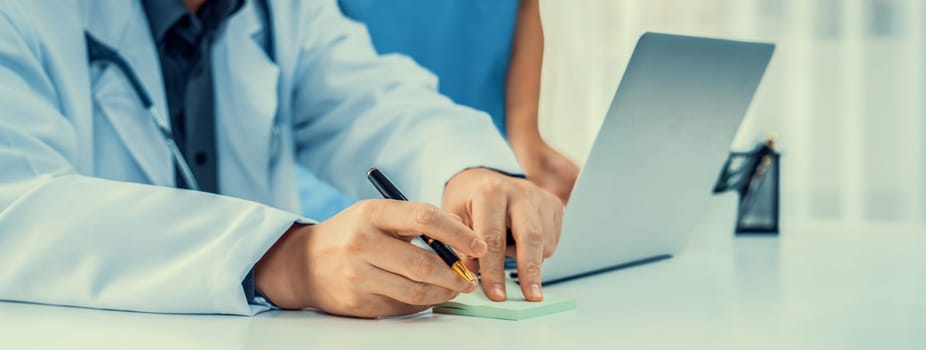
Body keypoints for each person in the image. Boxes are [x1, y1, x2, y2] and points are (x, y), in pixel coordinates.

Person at [0, 0, 562, 318]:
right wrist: (281, 258)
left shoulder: (278, 10)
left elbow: (373, 99)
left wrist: (470, 171)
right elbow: (16, 207)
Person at [297, 0, 580, 221]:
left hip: (472, 145)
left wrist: (524, 134)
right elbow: (327, 78)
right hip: (348, 156)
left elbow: (521, 7)